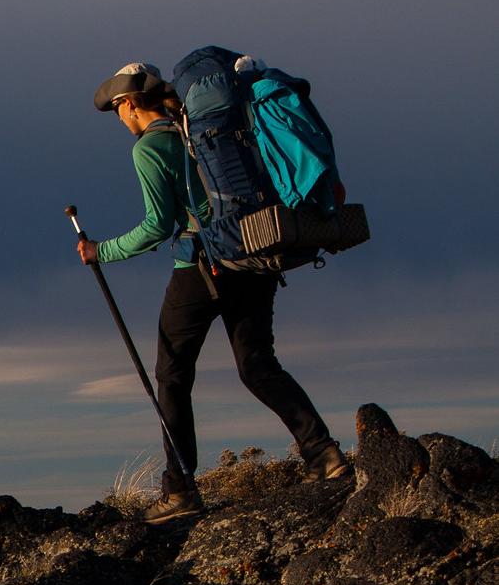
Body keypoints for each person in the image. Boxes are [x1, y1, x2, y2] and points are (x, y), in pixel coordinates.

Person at [78, 62, 349, 524]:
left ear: (128, 104)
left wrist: (102, 251)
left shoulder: (150, 148)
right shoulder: (200, 132)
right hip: (253, 254)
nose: (120, 119)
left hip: (200, 269)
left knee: (173, 375)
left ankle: (181, 489)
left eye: (119, 109)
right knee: (257, 364)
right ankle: (324, 455)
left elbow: (158, 226)